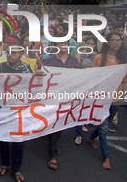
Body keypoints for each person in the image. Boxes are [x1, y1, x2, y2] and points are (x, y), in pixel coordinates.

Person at [0, 38, 44, 182]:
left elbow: (34, 87)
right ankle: (4, 163)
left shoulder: (27, 68)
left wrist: (39, 77)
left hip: (21, 109)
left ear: (21, 54)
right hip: (3, 108)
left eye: (13, 53)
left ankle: (16, 168)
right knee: (3, 138)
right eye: (8, 52)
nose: (10, 55)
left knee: (18, 140)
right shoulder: (0, 66)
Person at [89, 31, 127, 170]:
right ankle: (106, 157)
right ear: (108, 43)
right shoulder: (99, 58)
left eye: (119, 40)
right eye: (113, 40)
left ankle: (91, 136)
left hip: (116, 98)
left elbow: (125, 80)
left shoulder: (123, 59)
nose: (116, 43)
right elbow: (93, 78)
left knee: (104, 124)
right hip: (102, 98)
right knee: (104, 129)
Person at [42, 33, 80, 171]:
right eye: (60, 43)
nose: (63, 45)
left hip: (67, 98)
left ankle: (53, 140)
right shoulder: (49, 61)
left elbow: (80, 77)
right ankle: (51, 154)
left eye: (65, 42)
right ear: (55, 45)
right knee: (54, 123)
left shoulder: (74, 61)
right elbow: (43, 77)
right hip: (53, 97)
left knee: (61, 124)